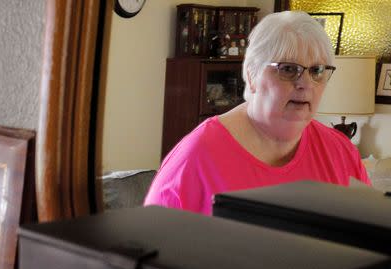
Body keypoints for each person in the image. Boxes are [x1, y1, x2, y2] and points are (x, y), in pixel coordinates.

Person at [144, 11, 370, 215]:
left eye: (317, 71)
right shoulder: (195, 158)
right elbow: (147, 248)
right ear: (251, 75)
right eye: (288, 69)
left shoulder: (341, 153)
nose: (306, 84)